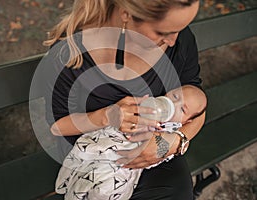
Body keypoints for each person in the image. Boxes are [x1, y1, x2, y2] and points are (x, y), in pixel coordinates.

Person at [43, 0, 205, 199]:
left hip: (155, 153)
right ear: (126, 14)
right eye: (162, 32)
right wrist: (106, 116)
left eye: (180, 28)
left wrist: (173, 143)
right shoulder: (70, 54)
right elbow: (57, 127)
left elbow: (197, 106)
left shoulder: (180, 40)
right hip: (95, 159)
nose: (173, 40)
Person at [55, 85, 207, 200]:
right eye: (175, 96)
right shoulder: (150, 103)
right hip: (111, 138)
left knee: (108, 188)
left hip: (128, 162)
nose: (173, 105)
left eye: (182, 109)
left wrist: (161, 139)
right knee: (85, 151)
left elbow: (162, 153)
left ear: (187, 121)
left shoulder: (171, 130)